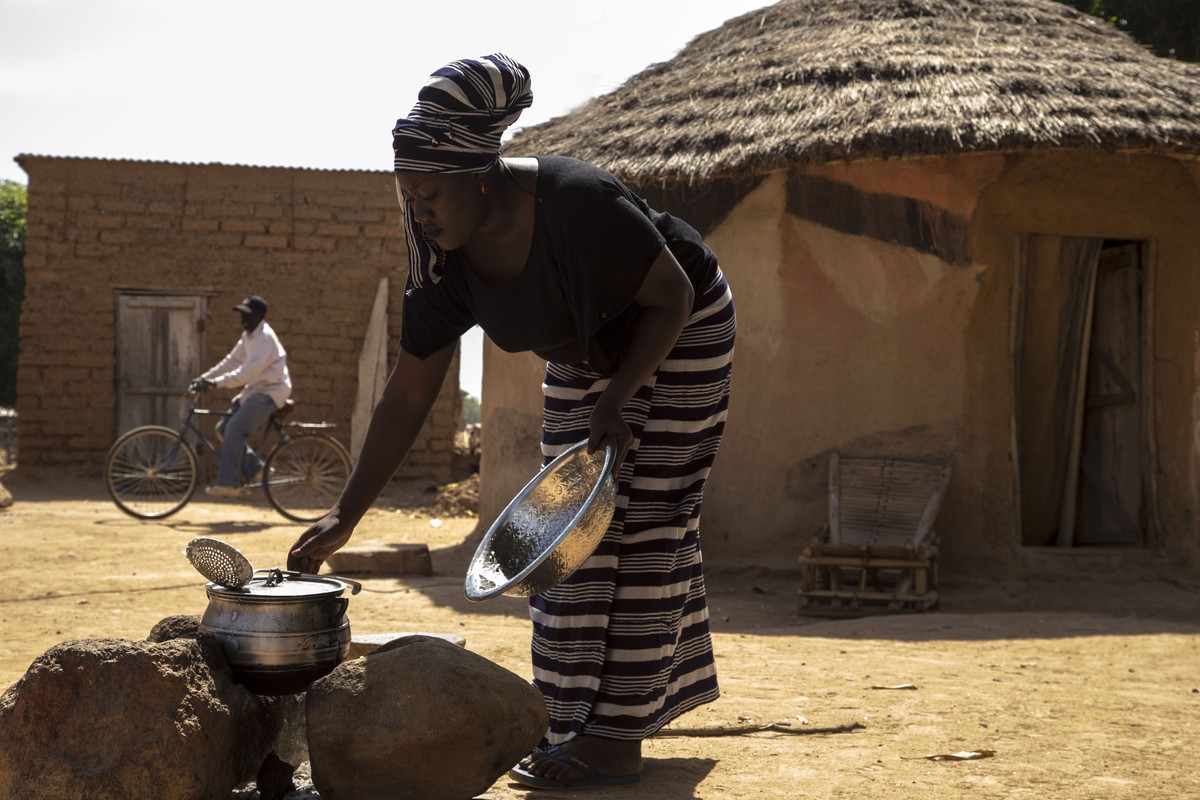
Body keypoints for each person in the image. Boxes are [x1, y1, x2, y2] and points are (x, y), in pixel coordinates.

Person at [286, 54, 736, 790]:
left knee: (649, 519)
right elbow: (408, 392)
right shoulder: (442, 262)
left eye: (430, 191)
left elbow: (673, 293)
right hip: (588, 353)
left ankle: (618, 739)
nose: (419, 209)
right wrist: (345, 515)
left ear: (481, 174)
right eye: (408, 193)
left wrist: (621, 393)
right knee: (558, 535)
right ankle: (562, 724)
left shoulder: (576, 203)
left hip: (678, 329)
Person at [190, 295, 292, 498]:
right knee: (223, 429)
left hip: (270, 391)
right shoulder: (249, 335)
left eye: (247, 315)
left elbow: (246, 373)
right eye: (241, 315)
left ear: (260, 316)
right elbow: (232, 361)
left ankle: (229, 483)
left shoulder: (265, 338)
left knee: (235, 429)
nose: (242, 320)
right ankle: (256, 469)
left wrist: (216, 383)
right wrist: (205, 377)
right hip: (256, 389)